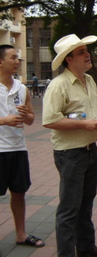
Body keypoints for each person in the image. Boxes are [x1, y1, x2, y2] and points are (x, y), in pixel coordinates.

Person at [42, 34, 97, 257]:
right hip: (70, 154)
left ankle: (85, 246)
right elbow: (50, 120)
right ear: (68, 59)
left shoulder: (89, 80)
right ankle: (66, 253)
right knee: (69, 208)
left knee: (86, 203)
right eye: (82, 52)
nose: (87, 55)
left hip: (90, 150)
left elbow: (96, 109)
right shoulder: (58, 86)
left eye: (87, 50)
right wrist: (83, 124)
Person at [0, 45, 45, 248]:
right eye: (13, 57)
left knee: (19, 192)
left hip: (18, 148)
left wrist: (27, 115)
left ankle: (20, 234)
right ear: (1, 61)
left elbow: (30, 120)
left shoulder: (22, 88)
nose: (17, 61)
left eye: (17, 58)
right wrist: (3, 121)